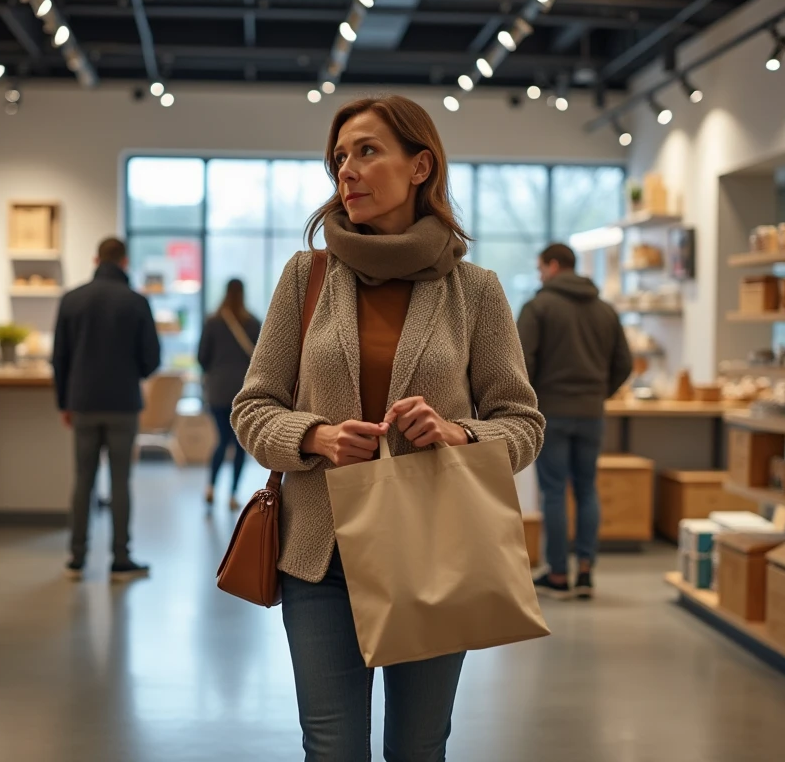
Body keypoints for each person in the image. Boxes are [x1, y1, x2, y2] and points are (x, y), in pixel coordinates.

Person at [232, 95, 545, 760]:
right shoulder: (305, 276)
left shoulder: (476, 291)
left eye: (367, 151)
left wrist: (460, 434)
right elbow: (253, 407)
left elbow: (522, 424)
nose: (346, 170)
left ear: (420, 166)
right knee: (332, 747)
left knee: (418, 747)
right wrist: (313, 437)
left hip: (432, 550)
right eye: (339, 157)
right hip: (319, 558)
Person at [517, 243, 632, 601]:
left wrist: (531, 400)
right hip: (592, 413)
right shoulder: (605, 311)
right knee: (586, 489)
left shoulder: (538, 308)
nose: (539, 275)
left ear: (553, 266)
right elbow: (624, 363)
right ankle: (585, 572)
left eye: (540, 268)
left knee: (553, 491)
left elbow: (520, 363)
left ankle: (556, 575)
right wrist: (599, 393)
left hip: (552, 412)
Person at [53, 237, 160, 582]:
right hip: (123, 404)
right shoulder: (137, 302)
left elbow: (59, 359)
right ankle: (120, 560)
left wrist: (64, 402)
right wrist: (131, 372)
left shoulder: (72, 300)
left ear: (95, 259)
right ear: (125, 262)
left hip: (82, 403)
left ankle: (76, 559)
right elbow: (151, 361)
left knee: (83, 480)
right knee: (120, 482)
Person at [198, 279, 261, 512]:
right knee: (238, 443)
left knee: (221, 441)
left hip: (217, 390)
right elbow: (261, 360)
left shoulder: (212, 322)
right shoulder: (253, 323)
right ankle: (233, 493)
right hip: (243, 392)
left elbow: (201, 357)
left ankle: (211, 488)